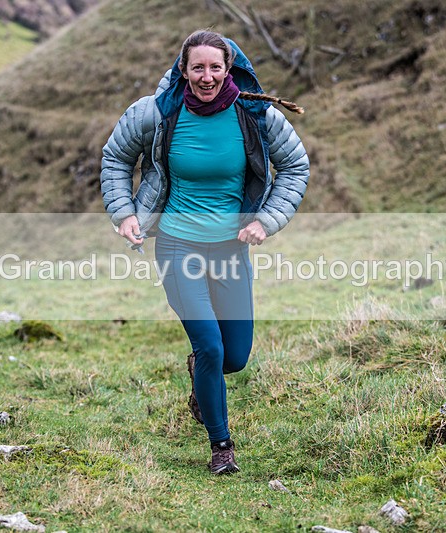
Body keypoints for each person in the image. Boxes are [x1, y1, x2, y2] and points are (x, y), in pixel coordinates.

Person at [100, 29, 309, 474]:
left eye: (216, 67)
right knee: (212, 346)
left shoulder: (256, 115)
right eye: (198, 67)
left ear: (228, 69)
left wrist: (265, 220)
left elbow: (295, 166)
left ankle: (200, 373)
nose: (207, 76)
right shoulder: (156, 112)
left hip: (231, 250)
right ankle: (221, 446)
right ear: (183, 69)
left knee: (234, 356)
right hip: (177, 245)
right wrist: (125, 213)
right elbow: (116, 157)